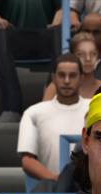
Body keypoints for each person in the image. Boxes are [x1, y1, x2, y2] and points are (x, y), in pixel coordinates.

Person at [0, 0, 68, 122]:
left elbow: (62, 8)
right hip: (13, 35)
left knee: (60, 31)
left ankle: (50, 100)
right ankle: (11, 107)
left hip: (46, 34)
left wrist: (55, 24)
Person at [19, 54, 91, 186]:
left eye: (72, 75)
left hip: (89, 186)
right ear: (53, 78)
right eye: (62, 75)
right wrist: (58, 180)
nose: (67, 81)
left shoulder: (94, 108)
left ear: (81, 78)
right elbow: (27, 160)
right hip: (52, 187)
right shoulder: (34, 112)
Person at [42, 32, 101, 100]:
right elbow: (44, 106)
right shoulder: (56, 87)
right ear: (72, 56)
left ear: (98, 57)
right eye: (80, 54)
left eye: (93, 54)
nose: (88, 59)